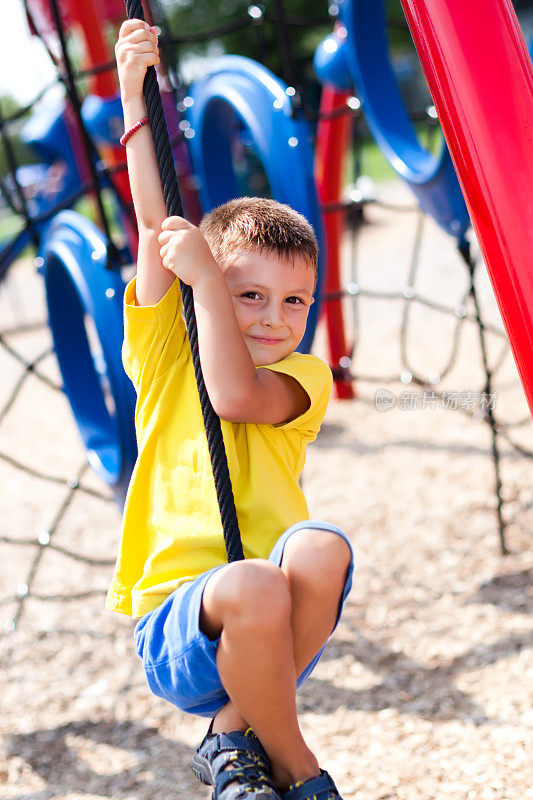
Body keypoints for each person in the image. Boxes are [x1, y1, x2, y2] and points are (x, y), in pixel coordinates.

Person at [107, 18, 355, 800]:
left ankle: (228, 742)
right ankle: (300, 768)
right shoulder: (165, 352)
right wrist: (130, 91)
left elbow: (237, 398)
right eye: (249, 294)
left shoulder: (304, 378)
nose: (274, 319)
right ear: (205, 285)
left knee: (318, 549)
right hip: (182, 624)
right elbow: (155, 224)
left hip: (273, 625)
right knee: (250, 582)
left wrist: (216, 288)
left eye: (293, 301)